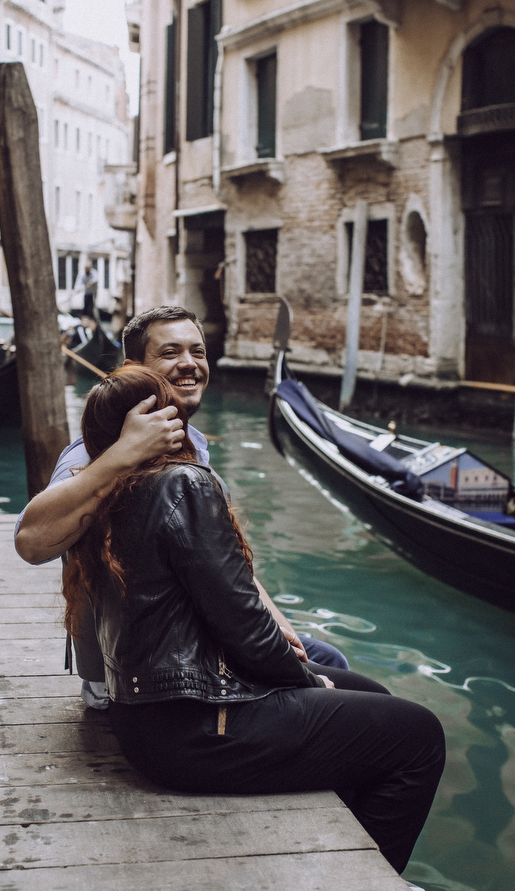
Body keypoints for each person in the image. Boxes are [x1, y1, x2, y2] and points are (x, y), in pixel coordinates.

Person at [60, 364, 445, 877]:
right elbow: (244, 624)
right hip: (195, 726)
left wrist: (310, 679)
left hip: (151, 720)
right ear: (160, 421)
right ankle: (368, 880)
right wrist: (310, 681)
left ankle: (348, 851)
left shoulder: (101, 493)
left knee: (373, 695)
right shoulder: (181, 484)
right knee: (420, 736)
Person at [16, 307, 349, 711]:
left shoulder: (191, 442)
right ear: (134, 368)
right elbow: (31, 543)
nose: (189, 364)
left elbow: (220, 565)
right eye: (170, 353)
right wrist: (123, 454)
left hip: (196, 643)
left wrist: (277, 622)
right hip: (134, 678)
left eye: (198, 352)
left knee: (328, 659)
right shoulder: (95, 449)